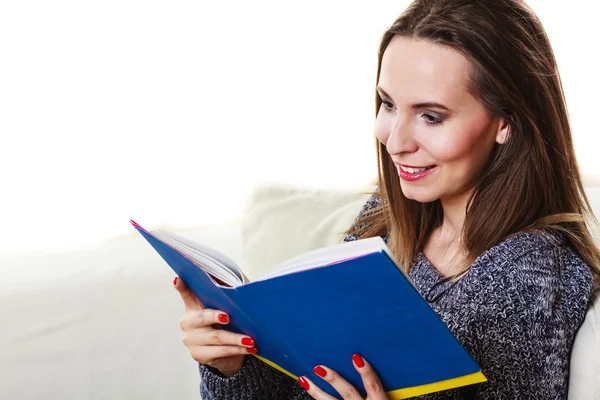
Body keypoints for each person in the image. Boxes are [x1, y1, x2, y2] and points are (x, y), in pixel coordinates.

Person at [173, 0, 599, 398]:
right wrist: (231, 365)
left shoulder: (530, 281)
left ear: (505, 123)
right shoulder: (387, 216)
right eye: (388, 104)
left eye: (431, 117)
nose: (394, 141)